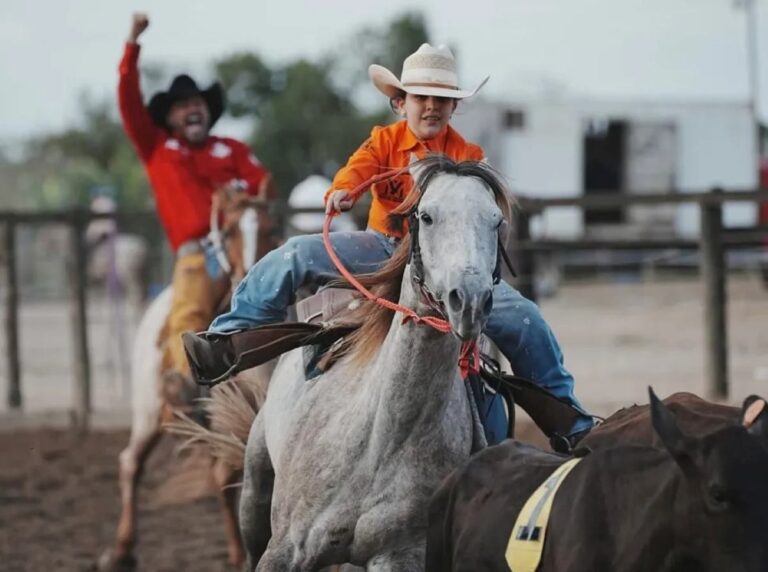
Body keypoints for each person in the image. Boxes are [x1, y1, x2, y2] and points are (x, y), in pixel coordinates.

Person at [189, 43, 593, 448]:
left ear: (454, 108)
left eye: (442, 99)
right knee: (295, 255)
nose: (431, 106)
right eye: (421, 97)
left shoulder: (468, 157)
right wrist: (343, 191)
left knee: (525, 319)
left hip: (446, 263)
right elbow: (356, 170)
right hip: (384, 248)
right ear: (401, 103)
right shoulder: (383, 142)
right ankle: (232, 339)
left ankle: (569, 424)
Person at [118, 12, 275, 381]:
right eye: (182, 105)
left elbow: (263, 185)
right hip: (199, 254)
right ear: (170, 117)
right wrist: (133, 43)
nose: (192, 109)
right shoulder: (157, 147)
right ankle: (185, 380)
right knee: (189, 311)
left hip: (245, 242)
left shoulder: (232, 148)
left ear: (208, 112)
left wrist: (241, 196)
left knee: (291, 283)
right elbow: (128, 102)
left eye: (198, 103)